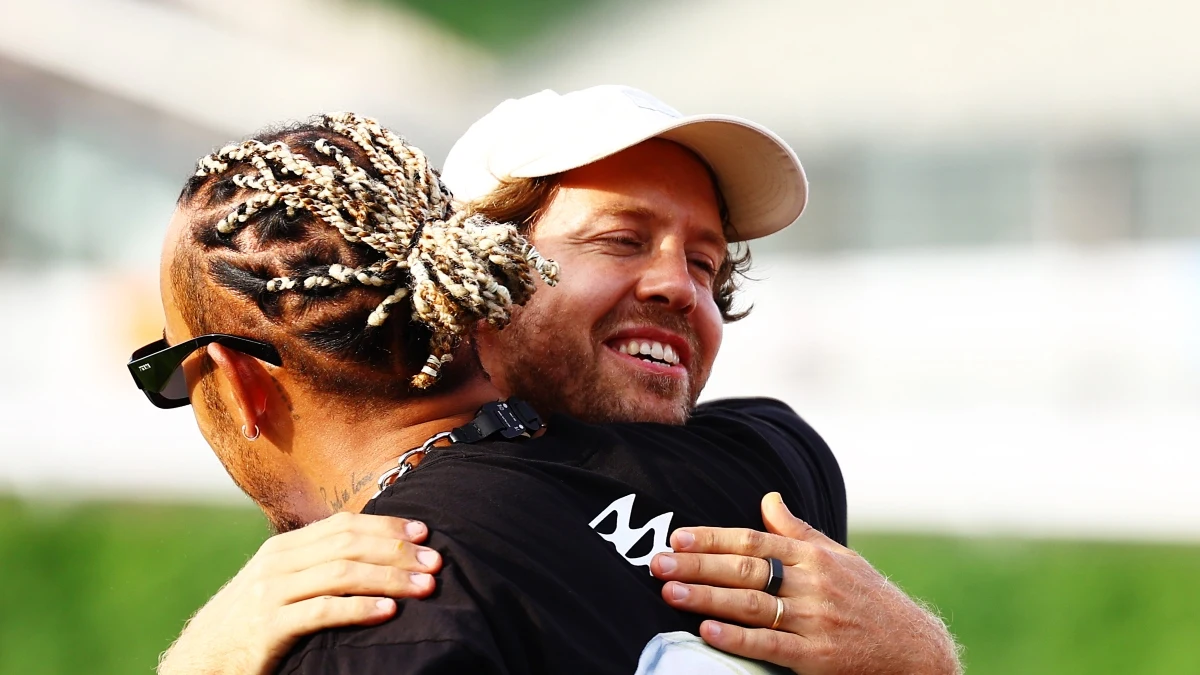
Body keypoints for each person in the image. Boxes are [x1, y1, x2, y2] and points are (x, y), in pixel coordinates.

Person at [149, 94, 959, 674]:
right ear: (474, 276)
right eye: (620, 240)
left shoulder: (765, 473)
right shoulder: (766, 464)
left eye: (708, 263)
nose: (683, 286)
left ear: (242, 385)